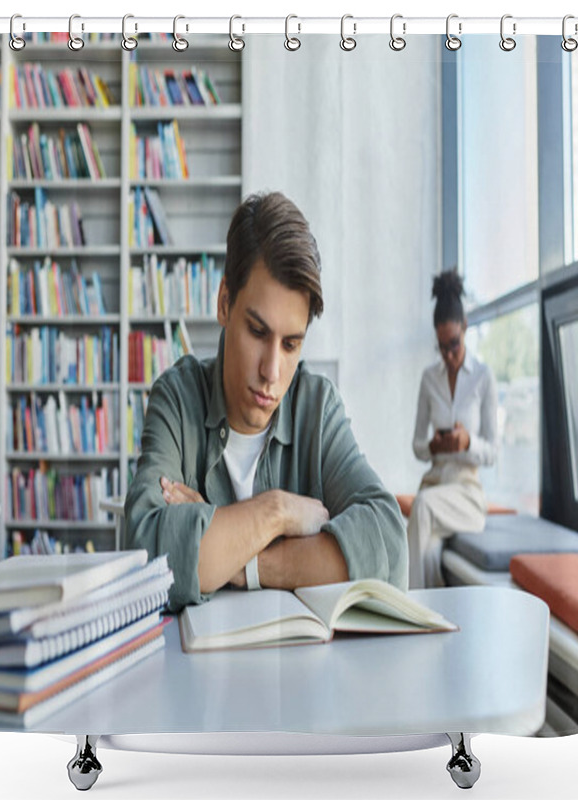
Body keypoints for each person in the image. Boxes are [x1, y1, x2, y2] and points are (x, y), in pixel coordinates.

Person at [125, 191, 407, 610]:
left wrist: (240, 561)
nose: (272, 372)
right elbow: (145, 555)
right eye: (257, 332)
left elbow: (387, 545)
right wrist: (277, 513)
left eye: (291, 344)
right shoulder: (178, 396)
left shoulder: (316, 406)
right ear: (224, 304)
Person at [408, 270, 498, 589]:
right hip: (434, 484)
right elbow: (417, 445)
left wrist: (467, 442)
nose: (448, 355)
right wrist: (434, 446)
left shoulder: (483, 377)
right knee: (428, 556)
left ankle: (410, 611)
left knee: (420, 508)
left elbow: (492, 453)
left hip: (465, 494)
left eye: (454, 345)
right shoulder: (429, 379)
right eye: (441, 347)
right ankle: (434, 624)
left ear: (466, 328)